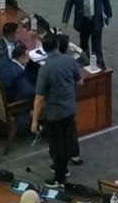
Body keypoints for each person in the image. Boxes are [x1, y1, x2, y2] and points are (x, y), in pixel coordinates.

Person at [31, 32, 82, 188]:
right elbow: (79, 81)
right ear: (57, 46)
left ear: (44, 49)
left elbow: (39, 98)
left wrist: (34, 121)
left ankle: (59, 178)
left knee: (56, 145)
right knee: (67, 139)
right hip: (70, 108)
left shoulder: (45, 69)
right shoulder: (69, 60)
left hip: (55, 114)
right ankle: (63, 168)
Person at [60, 0, 112, 68]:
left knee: (97, 45)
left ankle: (99, 65)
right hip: (82, 20)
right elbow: (69, 3)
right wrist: (65, 20)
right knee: (83, 44)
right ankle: (84, 62)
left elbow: (105, 0)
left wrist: (108, 14)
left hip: (96, 20)